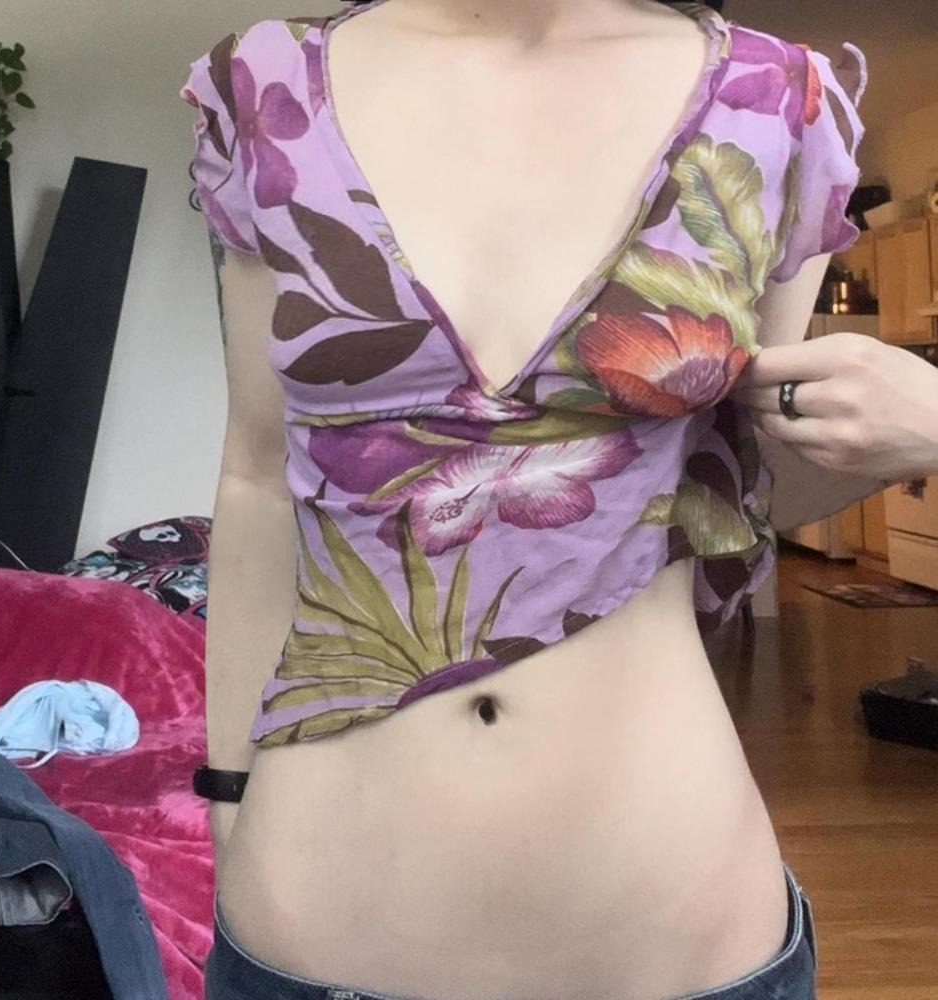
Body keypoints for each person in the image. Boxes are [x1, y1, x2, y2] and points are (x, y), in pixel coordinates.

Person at [179, 2, 929, 999]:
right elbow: (256, 474)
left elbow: (750, 474)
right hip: (316, 921)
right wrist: (226, 793)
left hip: (673, 930)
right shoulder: (266, 86)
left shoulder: (776, 101)